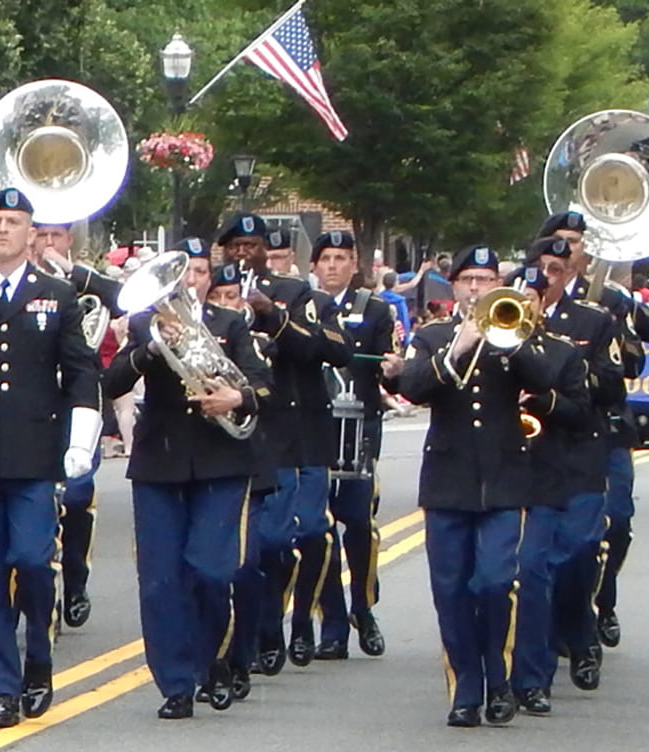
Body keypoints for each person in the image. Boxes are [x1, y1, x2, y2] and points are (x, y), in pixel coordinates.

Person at [396, 244, 587, 728]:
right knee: (451, 590)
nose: (477, 288)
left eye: (485, 280)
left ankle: (499, 679)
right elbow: (414, 386)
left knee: (496, 582)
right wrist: (459, 344)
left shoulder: (516, 334)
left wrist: (512, 338)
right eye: (469, 281)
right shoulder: (434, 335)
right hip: (448, 480)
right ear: (455, 286)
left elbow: (547, 377)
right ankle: (465, 687)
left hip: (505, 479)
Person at [0, 188, 101, 727]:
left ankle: (39, 654)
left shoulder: (56, 295)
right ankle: (3, 688)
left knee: (33, 562)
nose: (4, 230)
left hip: (35, 457)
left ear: (32, 233)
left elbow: (81, 373)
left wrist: (81, 439)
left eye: (15, 222)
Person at [102, 252, 270, 719]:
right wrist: (150, 350)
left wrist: (238, 397)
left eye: (198, 273)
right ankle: (176, 683)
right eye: (183, 273)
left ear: (208, 280)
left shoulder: (231, 325)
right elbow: (111, 380)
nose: (189, 282)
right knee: (159, 581)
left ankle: (212, 658)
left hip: (221, 463)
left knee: (213, 570)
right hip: (160, 461)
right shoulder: (143, 326)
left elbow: (264, 383)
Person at [219, 217, 351, 676]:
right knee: (261, 545)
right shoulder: (215, 297)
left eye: (252, 246)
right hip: (250, 434)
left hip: (300, 433)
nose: (244, 253)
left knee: (310, 531)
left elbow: (335, 349)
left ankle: (300, 624)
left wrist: (274, 318)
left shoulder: (297, 295)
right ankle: (264, 629)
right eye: (235, 246)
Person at [507, 235, 622, 716]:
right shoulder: (502, 322)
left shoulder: (592, 321)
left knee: (576, 557)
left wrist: (555, 390)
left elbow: (611, 385)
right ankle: (534, 667)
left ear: (568, 273)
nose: (549, 277)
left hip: (577, 456)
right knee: (534, 569)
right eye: (542, 269)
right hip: (525, 464)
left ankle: (580, 633)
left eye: (557, 269)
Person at [540, 212, 649, 651]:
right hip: (540, 433)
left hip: (602, 428)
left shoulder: (608, 299)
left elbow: (635, 358)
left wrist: (626, 311)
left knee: (616, 523)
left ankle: (601, 600)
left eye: (575, 241)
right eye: (560, 240)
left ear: (588, 250)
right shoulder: (523, 294)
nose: (568, 249)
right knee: (548, 536)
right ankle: (553, 623)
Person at [303, 231, 401, 662]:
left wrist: (394, 371)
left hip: (359, 429)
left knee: (358, 524)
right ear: (314, 265)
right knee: (318, 529)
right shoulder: (299, 308)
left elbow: (388, 369)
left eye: (341, 258)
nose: (332, 266)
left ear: (354, 265)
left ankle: (364, 605)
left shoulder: (374, 310)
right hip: (312, 430)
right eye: (326, 258)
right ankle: (333, 625)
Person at [32, 219, 123, 630]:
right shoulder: (22, 281)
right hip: (32, 407)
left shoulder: (87, 285)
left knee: (76, 495)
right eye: (42, 234)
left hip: (77, 404)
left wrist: (73, 274)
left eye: (56, 235)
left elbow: (126, 301)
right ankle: (37, 591)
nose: (48, 243)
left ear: (69, 240)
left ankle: (75, 581)